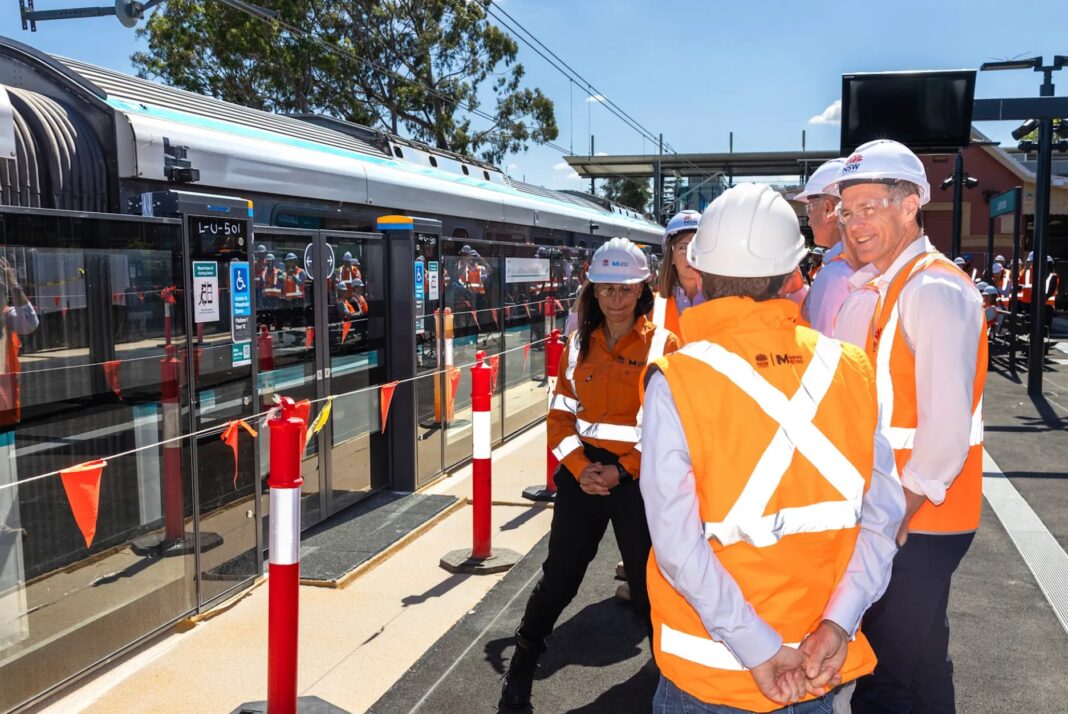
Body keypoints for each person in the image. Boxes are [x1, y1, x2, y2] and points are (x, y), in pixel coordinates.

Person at [640, 183, 903, 714]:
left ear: (700, 272)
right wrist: (837, 622)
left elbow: (677, 545)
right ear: (792, 276)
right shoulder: (852, 368)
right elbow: (884, 518)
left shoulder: (678, 379)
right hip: (815, 664)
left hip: (709, 674)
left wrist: (759, 649)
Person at [825, 139, 987, 714]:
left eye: (869, 207)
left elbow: (946, 429)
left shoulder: (933, 289)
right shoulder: (890, 284)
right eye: (848, 211)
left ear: (911, 203)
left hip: (917, 516)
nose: (855, 223)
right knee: (919, 663)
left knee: (884, 675)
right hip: (907, 512)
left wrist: (895, 518)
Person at [499, 238, 680, 710]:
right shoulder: (578, 343)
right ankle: (522, 665)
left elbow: (671, 427)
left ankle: (669, 675)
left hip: (636, 481)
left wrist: (622, 472)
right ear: (594, 291)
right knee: (559, 577)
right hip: (584, 475)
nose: (615, 299)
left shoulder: (665, 344)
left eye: (624, 289)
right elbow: (559, 417)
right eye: (606, 289)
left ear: (642, 289)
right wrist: (581, 470)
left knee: (647, 584)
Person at [790, 158, 863, 336]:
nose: (808, 219)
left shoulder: (834, 276)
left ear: (828, 209)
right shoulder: (870, 264)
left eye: (809, 209)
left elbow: (824, 352)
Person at [653, 210, 703, 341]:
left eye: (696, 246)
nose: (690, 255)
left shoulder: (722, 301)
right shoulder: (654, 305)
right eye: (683, 248)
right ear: (672, 257)